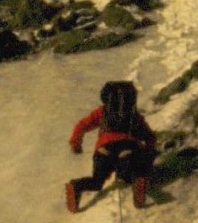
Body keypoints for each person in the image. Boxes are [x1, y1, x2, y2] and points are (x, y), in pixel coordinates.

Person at [65, 81, 157, 213]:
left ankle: (77, 186)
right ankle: (138, 183)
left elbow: (81, 126)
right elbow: (150, 137)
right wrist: (148, 151)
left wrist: (76, 144)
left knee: (97, 182)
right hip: (127, 149)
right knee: (129, 175)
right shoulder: (134, 116)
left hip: (103, 150)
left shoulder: (101, 112)